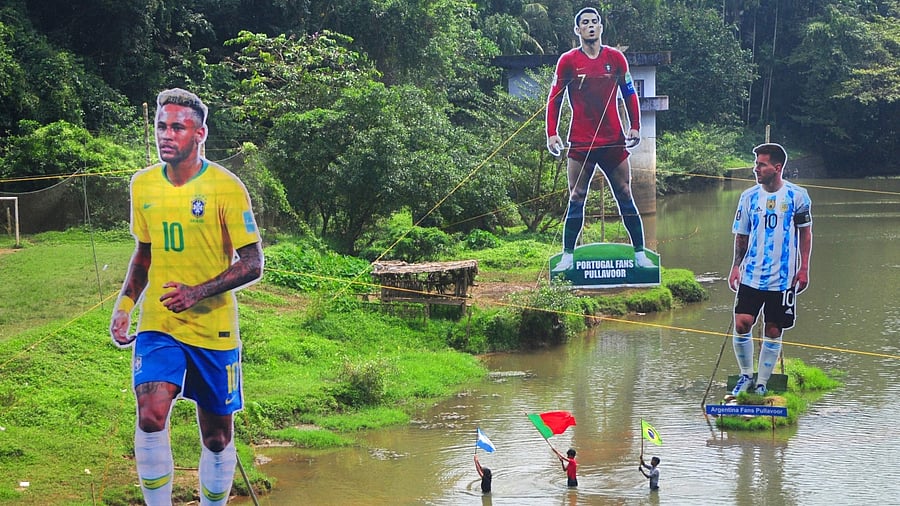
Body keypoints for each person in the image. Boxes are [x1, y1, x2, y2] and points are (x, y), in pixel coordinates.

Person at [109, 88, 264, 506]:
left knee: (216, 437)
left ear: (200, 134)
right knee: (151, 412)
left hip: (213, 330)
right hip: (160, 324)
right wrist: (125, 306)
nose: (166, 134)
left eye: (177, 126)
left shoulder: (226, 187)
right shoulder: (142, 185)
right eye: (162, 125)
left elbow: (253, 263)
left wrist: (199, 292)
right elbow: (144, 254)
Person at [546, 7, 654, 272]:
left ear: (601, 27)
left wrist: (635, 127)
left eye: (595, 22)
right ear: (578, 30)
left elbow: (629, 93)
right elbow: (555, 98)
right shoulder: (568, 61)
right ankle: (568, 257)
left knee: (625, 193)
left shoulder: (615, 58)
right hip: (581, 142)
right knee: (577, 196)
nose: (591, 26)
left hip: (613, 140)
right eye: (585, 23)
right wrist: (551, 132)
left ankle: (640, 253)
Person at [728, 143, 812, 397]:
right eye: (756, 164)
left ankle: (762, 382)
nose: (756, 169)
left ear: (777, 168)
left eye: (761, 165)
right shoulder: (748, 197)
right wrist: (735, 266)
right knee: (742, 323)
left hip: (783, 278)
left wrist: (804, 267)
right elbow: (741, 235)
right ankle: (745, 375)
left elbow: (805, 233)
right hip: (752, 274)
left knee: (773, 329)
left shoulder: (798, 196)